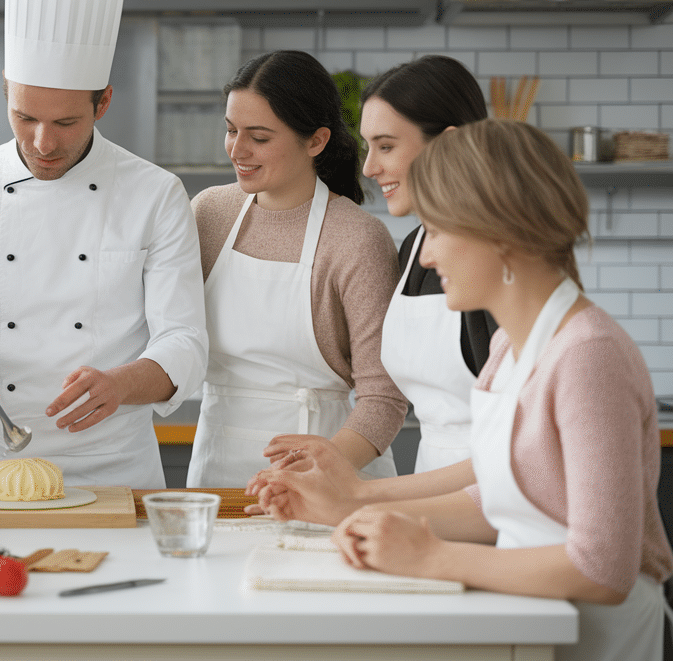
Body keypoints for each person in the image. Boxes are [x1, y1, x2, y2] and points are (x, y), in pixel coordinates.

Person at [254, 119, 671, 661]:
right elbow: (502, 500)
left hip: (600, 637)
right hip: (532, 621)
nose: (427, 256)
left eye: (440, 229)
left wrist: (431, 557)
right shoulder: (512, 351)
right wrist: (353, 508)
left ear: (500, 232)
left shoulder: (587, 357)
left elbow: (602, 569)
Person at [0, 0, 208, 489]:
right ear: (4, 93)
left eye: (66, 123)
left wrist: (122, 383)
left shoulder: (156, 193)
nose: (43, 142)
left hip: (115, 464)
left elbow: (184, 341)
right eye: (24, 117)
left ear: (104, 102)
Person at [259, 56, 494, 476]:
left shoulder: (495, 261)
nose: (369, 167)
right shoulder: (414, 249)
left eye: (386, 146)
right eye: (368, 147)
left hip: (499, 509)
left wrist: (359, 492)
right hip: (431, 495)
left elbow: (525, 447)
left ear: (450, 144)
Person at [186, 50, 406, 487]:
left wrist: (315, 472)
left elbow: (384, 398)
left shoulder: (356, 238)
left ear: (316, 141)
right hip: (218, 474)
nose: (238, 150)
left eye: (260, 137)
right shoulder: (208, 214)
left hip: (331, 476)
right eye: (231, 131)